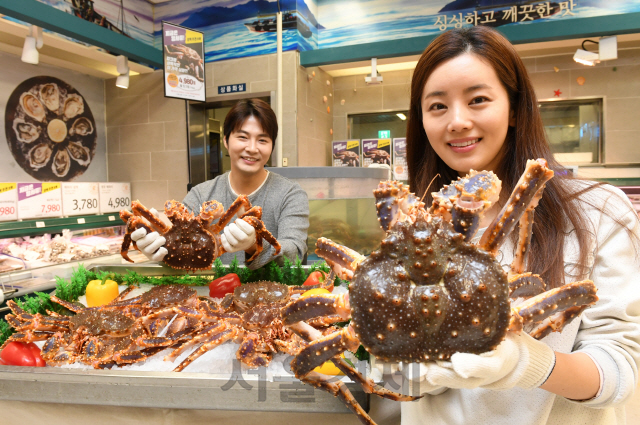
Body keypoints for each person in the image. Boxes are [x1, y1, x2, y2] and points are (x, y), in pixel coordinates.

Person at [393, 26, 640, 425]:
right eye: (437, 106)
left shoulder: (596, 210)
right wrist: (405, 364)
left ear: (514, 107)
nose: (457, 121)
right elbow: (398, 372)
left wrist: (527, 362)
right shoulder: (416, 224)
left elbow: (622, 370)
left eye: (478, 100)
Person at [130, 98, 309, 269]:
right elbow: (181, 253)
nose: (252, 148)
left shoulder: (290, 194)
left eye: (262, 140)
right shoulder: (201, 194)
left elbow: (296, 252)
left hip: (272, 294)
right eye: (243, 137)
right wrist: (157, 246)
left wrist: (254, 246)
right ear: (225, 140)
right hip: (209, 292)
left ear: (272, 147)